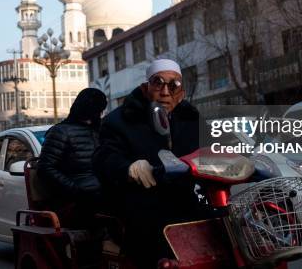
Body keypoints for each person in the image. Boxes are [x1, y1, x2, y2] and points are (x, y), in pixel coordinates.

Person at [93, 59, 202, 268]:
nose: (165, 92)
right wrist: (128, 168)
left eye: (174, 85)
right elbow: (103, 157)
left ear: (182, 92)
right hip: (137, 202)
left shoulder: (192, 119)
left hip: (184, 199)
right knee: (155, 231)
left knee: (224, 223)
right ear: (145, 87)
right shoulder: (119, 121)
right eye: (157, 83)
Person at [37, 87, 108, 227]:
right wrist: (75, 189)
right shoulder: (60, 132)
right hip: (74, 201)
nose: (99, 114)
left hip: (100, 191)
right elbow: (45, 168)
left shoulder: (100, 131)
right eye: (97, 110)